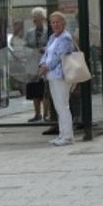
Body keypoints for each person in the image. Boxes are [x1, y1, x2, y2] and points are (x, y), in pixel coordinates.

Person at [37, 11, 75, 146]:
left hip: (60, 75)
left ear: (63, 23)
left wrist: (47, 67)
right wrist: (42, 64)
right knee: (59, 106)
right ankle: (62, 134)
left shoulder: (66, 38)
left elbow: (59, 56)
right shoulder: (53, 37)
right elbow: (47, 53)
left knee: (63, 105)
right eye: (53, 22)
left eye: (58, 21)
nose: (55, 24)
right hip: (51, 75)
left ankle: (68, 136)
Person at [23, 7, 49, 123]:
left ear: (43, 19)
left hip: (44, 62)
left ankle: (46, 114)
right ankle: (37, 114)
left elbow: (51, 46)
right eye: (34, 20)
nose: (36, 22)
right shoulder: (29, 33)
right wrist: (32, 51)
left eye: (38, 19)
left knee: (44, 89)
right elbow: (24, 47)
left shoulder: (48, 31)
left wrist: (43, 49)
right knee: (34, 89)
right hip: (33, 63)